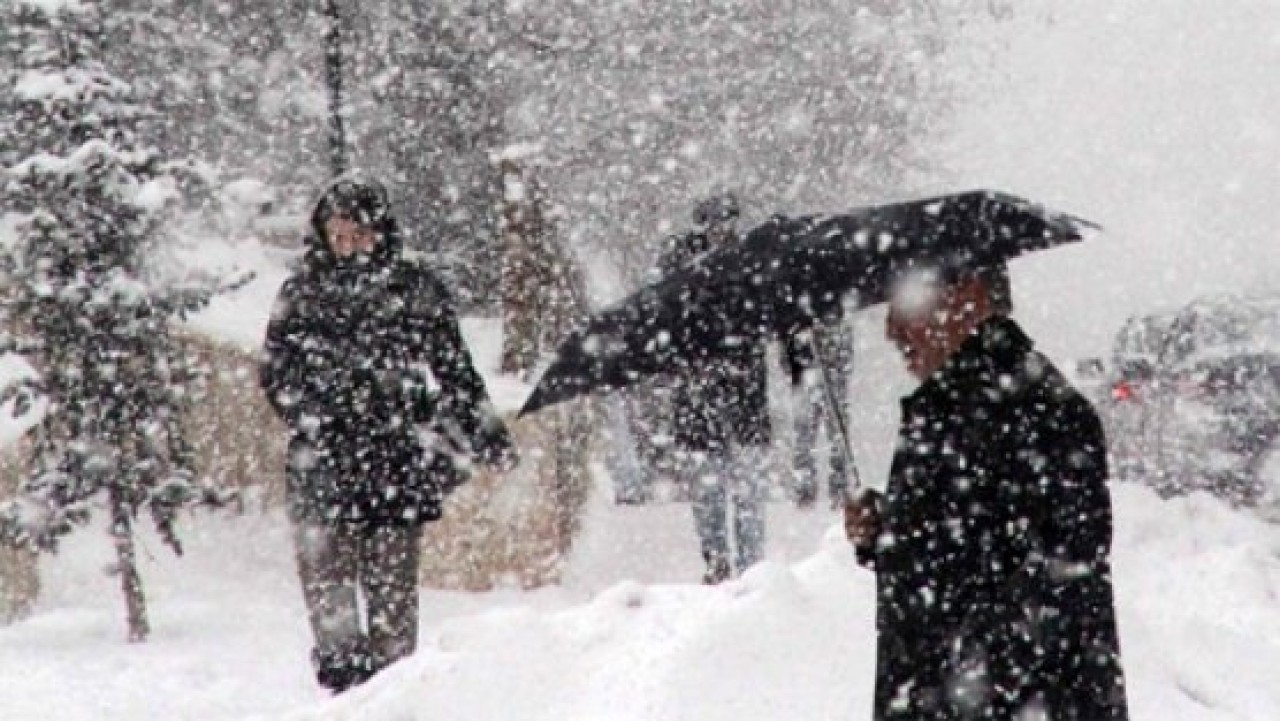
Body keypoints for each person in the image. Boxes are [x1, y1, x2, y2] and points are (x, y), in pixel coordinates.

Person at [260, 175, 517, 693]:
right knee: (328, 583)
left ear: (380, 231)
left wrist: (487, 432)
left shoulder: (414, 288)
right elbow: (277, 373)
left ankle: (393, 689)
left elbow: (454, 369)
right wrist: (316, 416)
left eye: (359, 233)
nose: (349, 245)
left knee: (392, 591)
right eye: (338, 234)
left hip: (394, 459)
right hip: (324, 462)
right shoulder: (302, 292)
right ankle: (342, 685)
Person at [844, 261, 1129, 720]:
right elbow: (962, 551)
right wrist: (885, 534)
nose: (891, 331)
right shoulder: (952, 407)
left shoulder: (1032, 416)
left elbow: (1039, 594)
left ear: (968, 296)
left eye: (904, 304)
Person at [656, 192, 783, 584]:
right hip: (701, 395)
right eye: (716, 223)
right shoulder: (682, 269)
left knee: (746, 489)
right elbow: (671, 326)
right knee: (711, 488)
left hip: (741, 394)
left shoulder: (752, 264)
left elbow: (766, 316)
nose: (722, 230)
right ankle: (718, 562)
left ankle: (747, 568)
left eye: (727, 222)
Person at [791, 312, 855, 508]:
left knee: (835, 428)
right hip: (806, 369)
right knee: (805, 432)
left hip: (830, 364)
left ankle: (838, 486)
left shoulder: (834, 309)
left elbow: (845, 341)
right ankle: (807, 487)